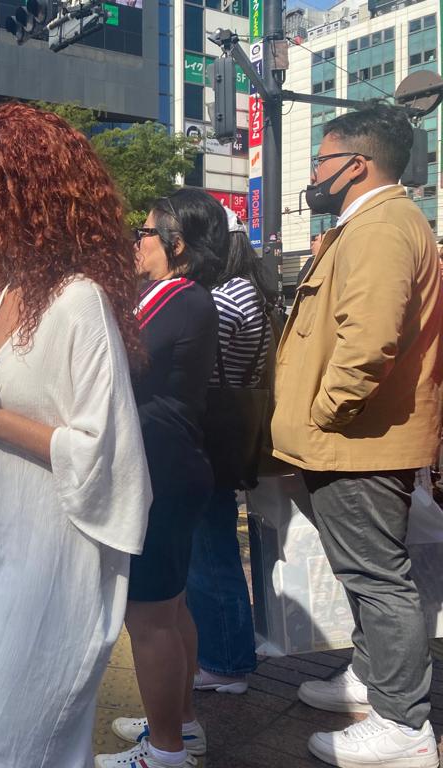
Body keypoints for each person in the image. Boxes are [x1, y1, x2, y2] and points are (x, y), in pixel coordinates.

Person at [0, 103, 151, 768]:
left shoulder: (78, 302)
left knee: (3, 743)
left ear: (31, 191)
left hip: (46, 561)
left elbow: (106, 452)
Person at [272, 104, 441, 767]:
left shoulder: (380, 228)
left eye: (321, 159)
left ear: (357, 165)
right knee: (366, 572)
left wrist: (326, 415)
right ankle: (374, 683)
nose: (314, 173)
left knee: (378, 578)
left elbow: (367, 343)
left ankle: (403, 725)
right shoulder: (374, 224)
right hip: (349, 440)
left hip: (357, 442)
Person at [101, 189, 223, 768]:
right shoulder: (186, 297)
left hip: (161, 470)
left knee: (148, 616)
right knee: (171, 610)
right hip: (176, 466)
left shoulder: (175, 297)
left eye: (144, 233)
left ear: (176, 243)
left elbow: (110, 361)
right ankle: (181, 726)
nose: (136, 242)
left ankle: (166, 750)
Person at [185, 208, 276, 696]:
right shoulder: (252, 292)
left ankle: (223, 660)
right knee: (215, 545)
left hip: (208, 434)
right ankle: (229, 651)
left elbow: (191, 360)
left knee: (210, 549)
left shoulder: (223, 298)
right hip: (230, 430)